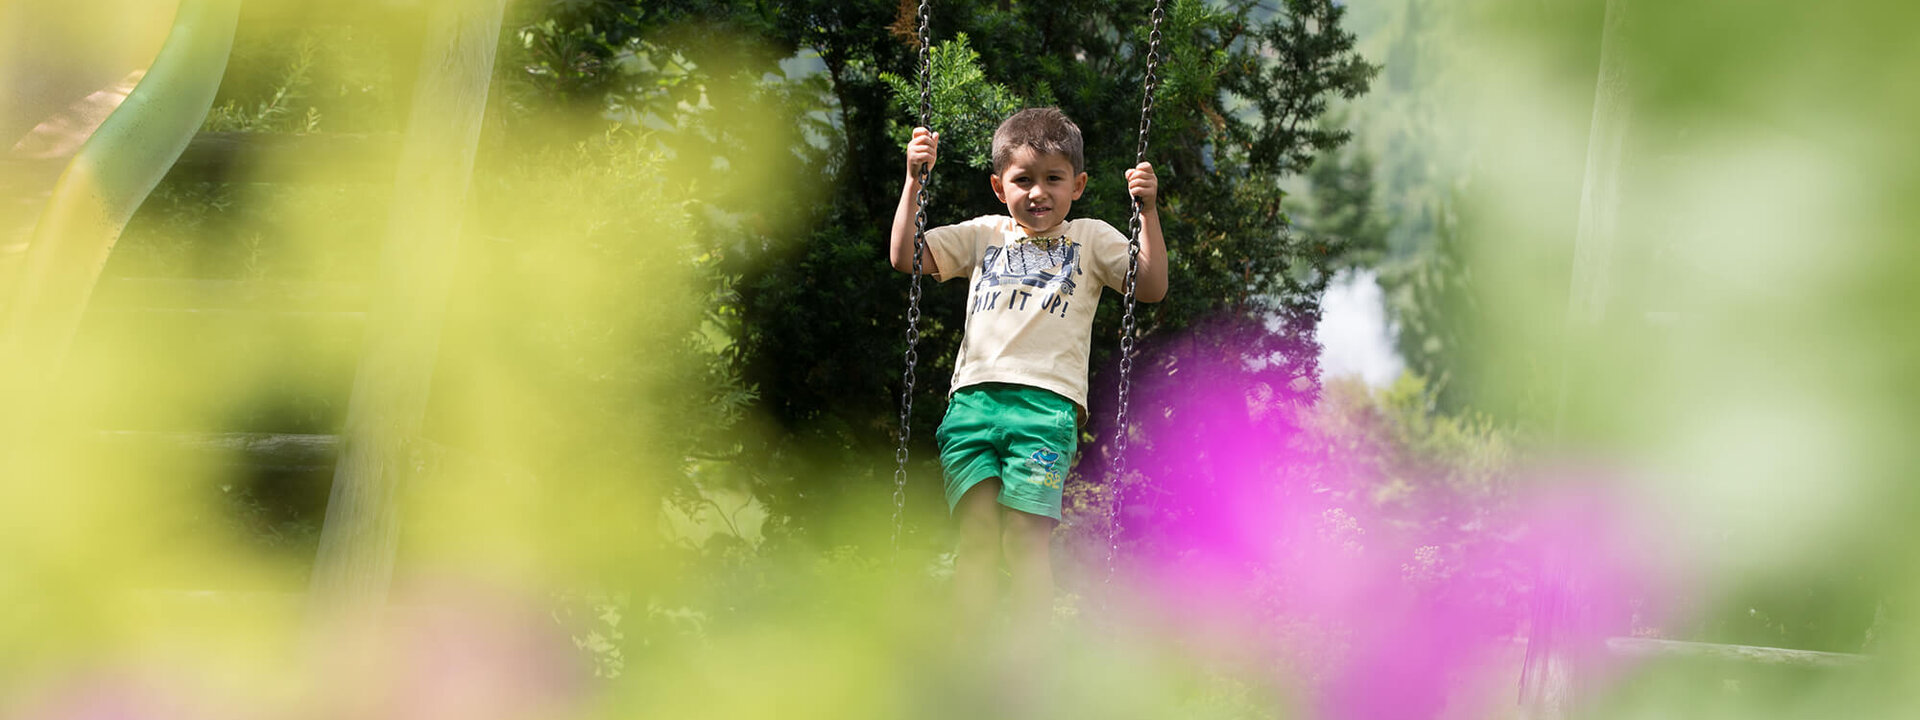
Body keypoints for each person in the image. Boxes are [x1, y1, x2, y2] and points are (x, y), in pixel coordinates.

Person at [887, 107, 1168, 637]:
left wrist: (1147, 209)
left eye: (1053, 179)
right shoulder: (983, 234)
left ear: (1078, 185)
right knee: (975, 538)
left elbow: (1150, 287)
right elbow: (906, 256)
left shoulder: (1091, 238)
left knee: (1023, 538)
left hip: (1046, 409)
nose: (1038, 193)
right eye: (1023, 180)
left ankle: (1027, 663)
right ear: (999, 186)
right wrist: (912, 180)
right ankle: (965, 654)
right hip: (972, 405)